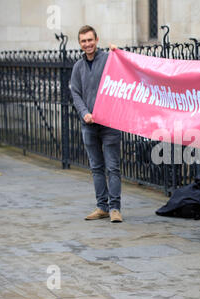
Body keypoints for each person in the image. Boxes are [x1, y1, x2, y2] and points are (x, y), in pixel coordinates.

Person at [70, 25, 123, 223]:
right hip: (89, 125)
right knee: (96, 167)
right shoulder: (78, 67)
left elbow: (125, 73)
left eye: (90, 40)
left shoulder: (109, 60)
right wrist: (84, 113)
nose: (87, 44)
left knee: (113, 167)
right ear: (80, 44)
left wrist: (119, 54)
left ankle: (115, 208)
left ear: (97, 40)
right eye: (83, 41)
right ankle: (101, 207)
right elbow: (75, 93)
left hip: (110, 123)